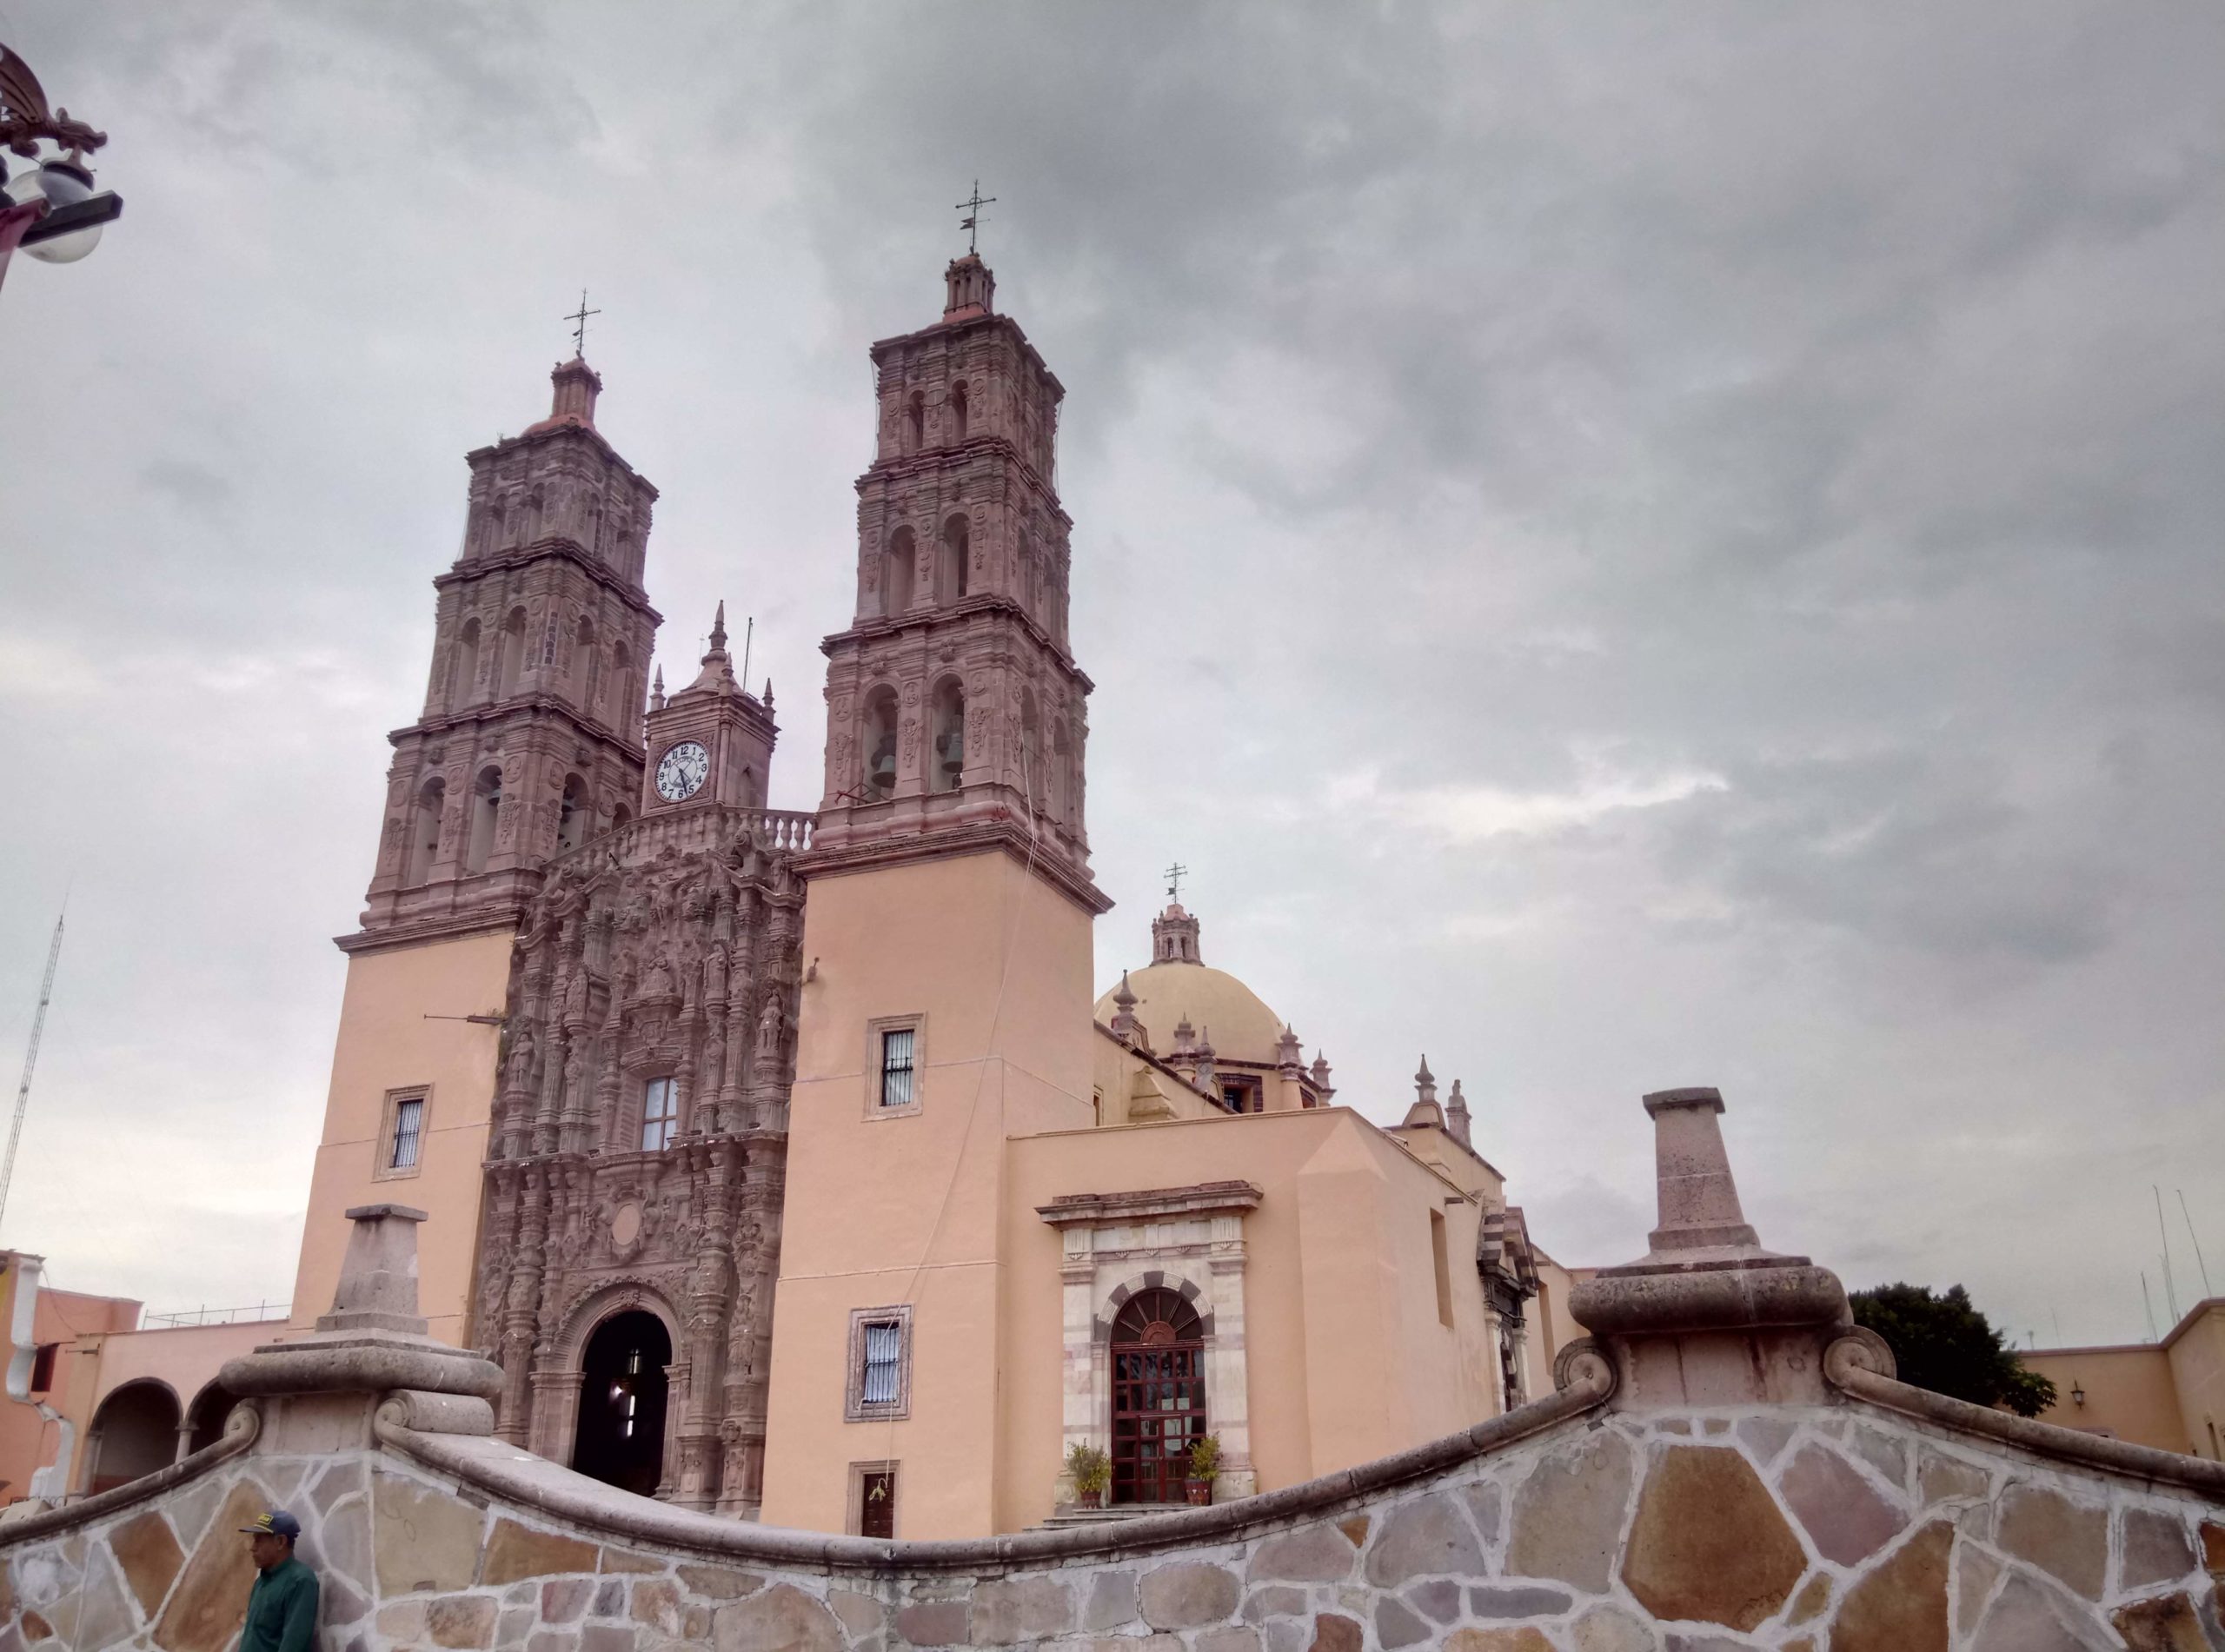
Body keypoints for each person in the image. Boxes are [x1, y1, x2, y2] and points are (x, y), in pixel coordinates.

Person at [236, 1509, 319, 1652]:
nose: (252, 1547)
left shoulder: (301, 1580)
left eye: (259, 1540)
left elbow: (294, 1644)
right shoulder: (261, 1582)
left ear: (280, 1541)